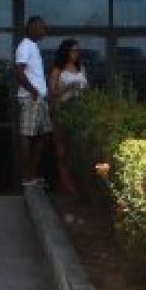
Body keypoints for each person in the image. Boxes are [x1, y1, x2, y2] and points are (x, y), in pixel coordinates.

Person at [13, 16, 50, 187]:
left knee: (43, 134)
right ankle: (26, 176)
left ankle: (31, 173)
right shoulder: (25, 45)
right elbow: (18, 71)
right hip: (31, 98)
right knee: (27, 135)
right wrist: (32, 90)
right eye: (40, 27)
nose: (43, 31)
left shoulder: (33, 46)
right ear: (31, 28)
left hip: (39, 98)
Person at [48, 39, 88, 195]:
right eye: (73, 50)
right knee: (62, 150)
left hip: (80, 112)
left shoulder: (81, 68)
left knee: (77, 149)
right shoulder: (58, 70)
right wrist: (68, 88)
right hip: (63, 111)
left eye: (78, 50)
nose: (76, 53)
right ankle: (66, 184)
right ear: (66, 52)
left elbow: (87, 88)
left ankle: (78, 183)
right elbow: (51, 93)